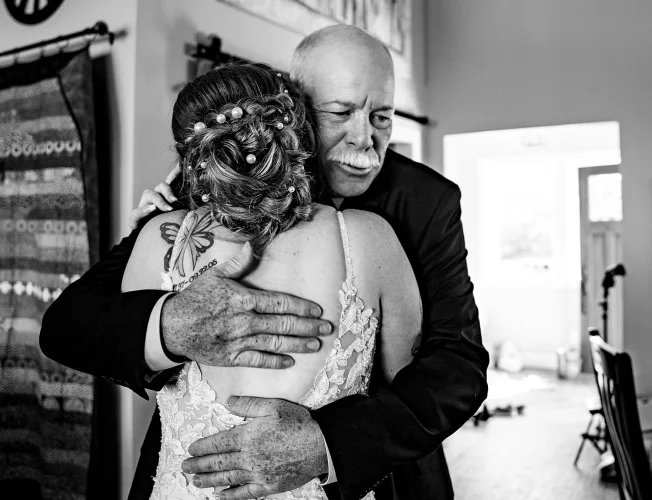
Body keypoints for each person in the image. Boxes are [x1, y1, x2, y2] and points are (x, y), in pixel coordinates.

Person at [40, 25, 489, 500]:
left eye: (382, 116)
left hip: (377, 469)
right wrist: (168, 320)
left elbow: (458, 364)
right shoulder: (207, 185)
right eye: (340, 112)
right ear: (293, 106)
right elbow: (70, 324)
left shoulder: (429, 200)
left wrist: (328, 443)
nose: (365, 139)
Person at [122, 61, 420, 500]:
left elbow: (128, 358)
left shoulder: (157, 241)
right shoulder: (368, 238)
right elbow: (407, 389)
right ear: (299, 134)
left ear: (190, 156)